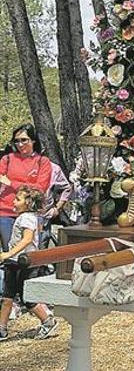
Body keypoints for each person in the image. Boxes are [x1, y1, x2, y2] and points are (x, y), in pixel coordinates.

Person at [0, 186, 58, 341]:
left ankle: (48, 321)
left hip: (23, 262)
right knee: (7, 297)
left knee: (27, 298)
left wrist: (8, 253)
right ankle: (2, 329)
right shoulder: (29, 217)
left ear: (29, 203)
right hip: (15, 262)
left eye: (18, 199)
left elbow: (27, 239)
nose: (14, 201)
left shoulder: (26, 218)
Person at [0, 124, 52, 291]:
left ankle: (27, 294)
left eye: (24, 140)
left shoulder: (42, 162)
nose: (20, 145)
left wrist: (12, 184)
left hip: (30, 214)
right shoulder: (7, 159)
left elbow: (39, 189)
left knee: (29, 253)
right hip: (6, 212)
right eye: (17, 141)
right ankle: (9, 294)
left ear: (33, 141)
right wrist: (25, 185)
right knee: (10, 254)